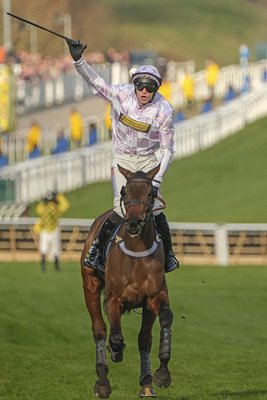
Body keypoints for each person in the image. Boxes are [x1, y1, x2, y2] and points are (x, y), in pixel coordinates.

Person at [66, 39, 179, 273]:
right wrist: (79, 61)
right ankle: (97, 250)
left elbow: (168, 150)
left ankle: (168, 254)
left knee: (156, 209)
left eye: (150, 88)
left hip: (148, 162)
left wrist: (157, 180)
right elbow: (95, 82)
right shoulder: (120, 94)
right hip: (122, 160)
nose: (144, 92)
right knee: (120, 209)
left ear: (156, 89)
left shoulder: (165, 111)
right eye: (141, 87)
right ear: (135, 85)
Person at [34, 192, 69, 272]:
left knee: (43, 249)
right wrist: (59, 196)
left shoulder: (44, 209)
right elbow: (65, 205)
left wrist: (42, 201)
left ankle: (43, 267)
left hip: (45, 231)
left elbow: (38, 209)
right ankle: (57, 268)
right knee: (56, 249)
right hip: (54, 231)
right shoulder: (56, 209)